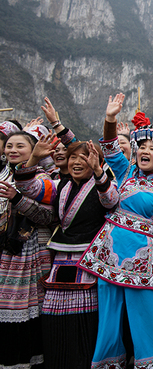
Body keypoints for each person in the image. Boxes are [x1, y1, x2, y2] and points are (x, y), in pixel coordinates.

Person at [77, 93, 153, 369]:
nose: (144, 150)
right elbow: (108, 146)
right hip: (110, 251)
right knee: (108, 316)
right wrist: (110, 118)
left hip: (142, 256)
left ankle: (151, 363)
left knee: (147, 316)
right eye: (140, 145)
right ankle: (108, 363)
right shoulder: (126, 172)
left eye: (152, 148)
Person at [34, 141, 119, 369]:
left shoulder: (103, 183)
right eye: (73, 157)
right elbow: (31, 189)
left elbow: (111, 201)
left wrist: (100, 173)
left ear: (96, 161)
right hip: (60, 260)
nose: (77, 162)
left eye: (84, 158)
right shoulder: (61, 185)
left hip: (88, 261)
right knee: (54, 318)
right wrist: (32, 161)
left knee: (85, 320)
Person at [0, 129, 56, 368]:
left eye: (20, 146)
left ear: (34, 150)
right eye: (9, 145)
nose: (13, 150)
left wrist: (17, 200)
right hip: (4, 251)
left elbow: (48, 216)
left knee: (29, 308)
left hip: (30, 250)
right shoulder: (3, 174)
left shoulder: (43, 179)